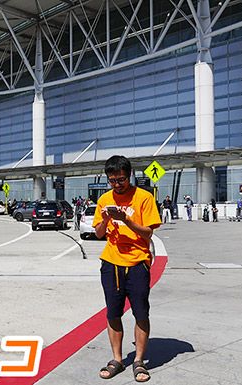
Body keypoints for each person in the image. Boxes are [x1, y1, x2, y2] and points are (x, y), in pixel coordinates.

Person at [93, 155, 161, 383]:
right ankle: (117, 359)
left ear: (129, 175)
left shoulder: (143, 197)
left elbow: (148, 233)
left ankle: (139, 361)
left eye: (120, 179)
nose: (117, 185)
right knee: (113, 312)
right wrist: (105, 220)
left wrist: (125, 220)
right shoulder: (104, 199)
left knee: (141, 312)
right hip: (111, 263)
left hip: (138, 262)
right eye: (112, 180)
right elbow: (99, 234)